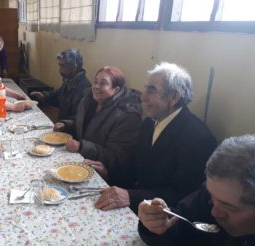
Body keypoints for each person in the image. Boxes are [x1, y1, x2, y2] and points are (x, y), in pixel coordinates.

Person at [92, 62, 217, 213]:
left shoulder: (199, 138)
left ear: (174, 97)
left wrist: (131, 196)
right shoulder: (150, 123)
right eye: (145, 89)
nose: (143, 97)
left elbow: (183, 194)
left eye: (151, 90)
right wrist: (109, 173)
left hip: (162, 219)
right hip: (137, 204)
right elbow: (135, 166)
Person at [138, 134, 255, 246]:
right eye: (212, 198)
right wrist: (156, 225)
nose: (214, 212)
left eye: (229, 207)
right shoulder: (207, 196)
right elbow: (180, 232)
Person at [54, 66, 142, 184]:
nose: (96, 86)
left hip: (106, 175)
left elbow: (117, 157)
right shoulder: (89, 100)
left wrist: (81, 147)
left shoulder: (127, 116)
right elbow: (82, 123)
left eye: (103, 83)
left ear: (115, 90)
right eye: (95, 82)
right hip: (83, 161)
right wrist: (65, 125)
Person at [30, 49, 91, 120]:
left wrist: (64, 124)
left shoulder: (84, 88)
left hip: (69, 129)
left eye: (62, 66)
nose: (59, 70)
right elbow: (58, 95)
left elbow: (79, 117)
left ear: (74, 67)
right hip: (62, 124)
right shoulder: (70, 80)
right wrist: (44, 95)